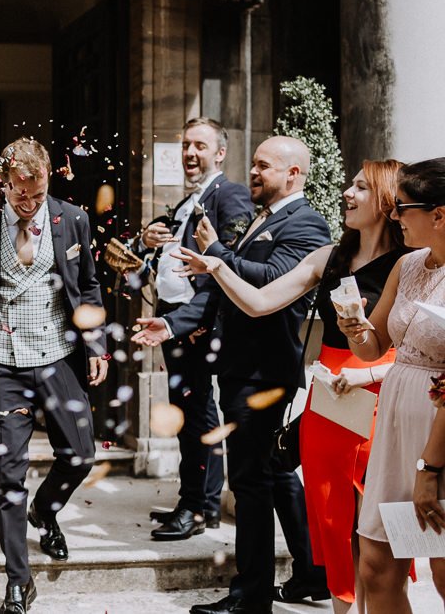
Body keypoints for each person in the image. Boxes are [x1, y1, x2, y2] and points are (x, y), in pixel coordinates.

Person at [172, 159, 409, 613]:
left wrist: (369, 370)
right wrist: (217, 267)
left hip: (381, 395)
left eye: (359, 187)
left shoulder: (407, 263)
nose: (347, 193)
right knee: (334, 526)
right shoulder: (329, 257)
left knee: (377, 537)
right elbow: (261, 303)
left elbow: (412, 346)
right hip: (329, 400)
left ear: (383, 201)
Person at [134, 136, 330, 614]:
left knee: (249, 482)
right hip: (242, 366)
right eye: (255, 164)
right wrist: (173, 323)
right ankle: (310, 573)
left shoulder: (306, 224)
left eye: (264, 166)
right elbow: (222, 291)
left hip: (265, 370)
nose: (254, 173)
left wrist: (217, 251)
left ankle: (251, 595)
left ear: (294, 174)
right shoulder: (263, 219)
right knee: (271, 473)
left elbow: (266, 284)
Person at [0, 137, 107, 614]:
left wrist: (96, 345)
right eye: (20, 193)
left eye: (38, 192)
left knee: (80, 455)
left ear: (48, 178)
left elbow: (87, 285)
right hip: (3, 361)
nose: (29, 203)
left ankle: (45, 511)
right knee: (8, 474)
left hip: (59, 356)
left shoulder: (75, 220)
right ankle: (18, 582)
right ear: (3, 183)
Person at [133, 117, 252, 541]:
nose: (190, 153)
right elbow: (167, 260)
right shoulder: (186, 202)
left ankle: (198, 507)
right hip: (178, 326)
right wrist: (147, 243)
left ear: (220, 152)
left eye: (200, 146)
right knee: (190, 415)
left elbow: (230, 267)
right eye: (186, 145)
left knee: (198, 416)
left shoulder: (230, 195)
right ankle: (195, 502)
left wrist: (188, 322)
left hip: (198, 326)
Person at [338, 157, 445, 613]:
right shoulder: (408, 266)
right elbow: (374, 346)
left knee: (444, 571)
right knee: (377, 565)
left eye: (402, 208)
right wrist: (354, 327)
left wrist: (429, 471)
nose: (393, 216)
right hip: (397, 427)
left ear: (439, 214)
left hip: (439, 434)